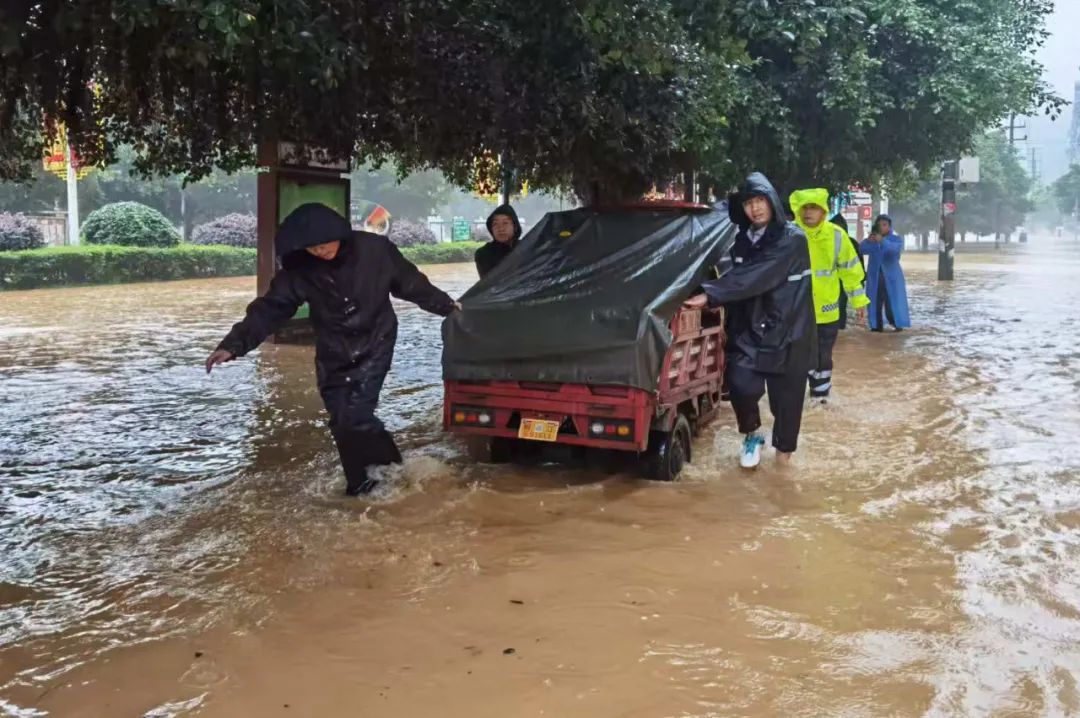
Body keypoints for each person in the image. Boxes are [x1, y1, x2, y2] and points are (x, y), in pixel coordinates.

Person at [205, 203, 459, 496]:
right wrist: (233, 345)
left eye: (324, 244)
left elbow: (411, 283)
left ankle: (373, 481)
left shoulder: (374, 249)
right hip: (333, 348)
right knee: (341, 419)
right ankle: (379, 475)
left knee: (356, 414)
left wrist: (448, 307)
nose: (319, 252)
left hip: (375, 340)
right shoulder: (300, 268)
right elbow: (271, 308)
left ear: (339, 234)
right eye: (312, 248)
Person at [683, 172, 816, 469]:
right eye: (748, 203)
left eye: (760, 200)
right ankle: (752, 434)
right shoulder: (741, 240)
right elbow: (730, 274)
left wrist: (710, 294)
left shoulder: (793, 239)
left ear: (771, 202)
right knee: (740, 385)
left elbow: (756, 277)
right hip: (750, 331)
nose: (755, 208)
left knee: (787, 404)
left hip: (789, 333)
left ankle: (783, 465)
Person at [791, 190, 869, 404]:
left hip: (827, 310)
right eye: (805, 207)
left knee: (822, 357)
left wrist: (859, 301)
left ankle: (820, 397)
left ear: (824, 211)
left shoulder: (836, 235)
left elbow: (851, 272)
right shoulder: (790, 234)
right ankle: (795, 399)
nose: (808, 212)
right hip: (794, 311)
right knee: (795, 357)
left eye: (814, 207)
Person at [863, 214, 911, 332]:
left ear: (889, 226)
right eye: (879, 225)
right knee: (875, 303)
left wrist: (882, 241)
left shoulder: (896, 239)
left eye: (884, 225)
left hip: (891, 278)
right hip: (875, 278)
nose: (882, 227)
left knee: (892, 303)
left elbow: (894, 252)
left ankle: (896, 325)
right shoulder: (872, 240)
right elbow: (862, 249)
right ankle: (876, 327)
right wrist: (869, 241)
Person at [474, 204, 522, 279]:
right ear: (491, 229)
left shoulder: (526, 247)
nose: (501, 229)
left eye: (505, 223)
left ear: (515, 227)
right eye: (495, 224)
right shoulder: (483, 253)